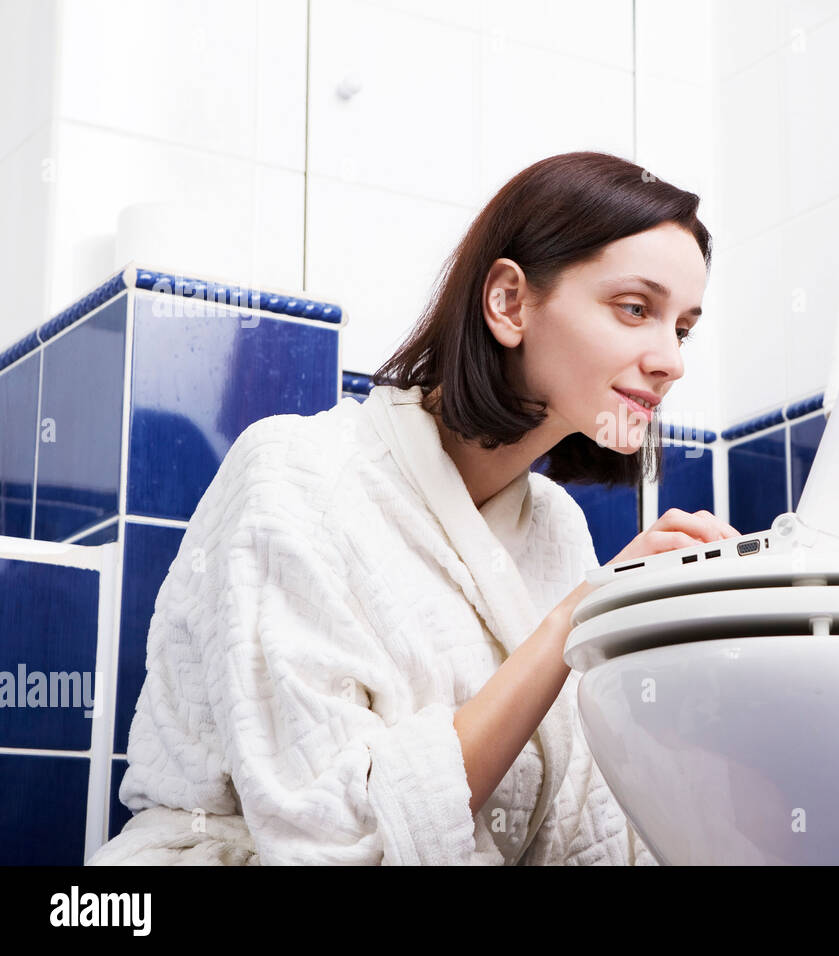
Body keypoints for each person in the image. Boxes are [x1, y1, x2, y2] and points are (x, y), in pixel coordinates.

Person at [88, 151, 738, 865]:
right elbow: (331, 837)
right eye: (635, 309)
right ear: (509, 303)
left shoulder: (557, 530)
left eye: (682, 328)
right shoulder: (294, 475)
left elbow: (586, 828)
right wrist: (580, 616)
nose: (671, 360)